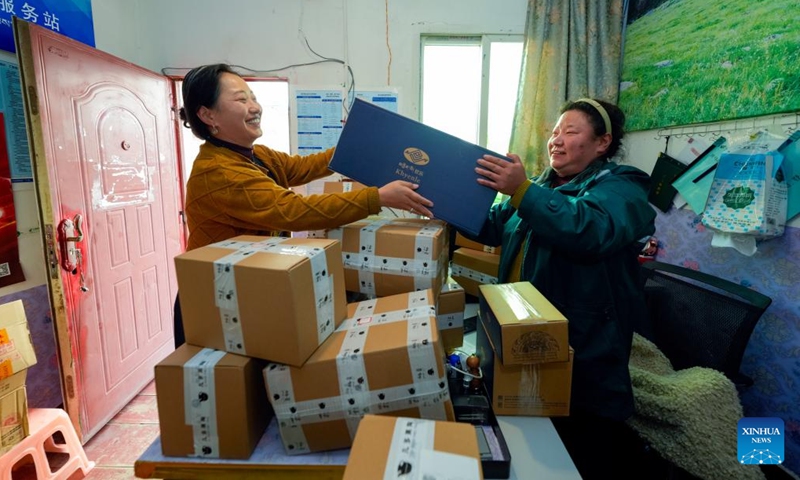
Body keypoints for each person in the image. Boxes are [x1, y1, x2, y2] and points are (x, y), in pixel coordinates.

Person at [173, 63, 433, 347]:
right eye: (240, 99)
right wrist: (377, 198)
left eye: (253, 96)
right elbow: (292, 211)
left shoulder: (255, 155)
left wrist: (359, 144)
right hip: (212, 301)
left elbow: (303, 167)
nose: (254, 106)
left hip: (241, 289)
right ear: (207, 114)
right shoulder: (218, 172)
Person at [466, 98, 656, 478]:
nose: (556, 140)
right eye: (555, 132)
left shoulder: (623, 186)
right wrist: (445, 203)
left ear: (602, 143)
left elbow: (589, 229)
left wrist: (521, 190)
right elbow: (492, 226)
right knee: (528, 450)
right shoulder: (541, 185)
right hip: (525, 335)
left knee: (576, 455)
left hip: (585, 349)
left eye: (570, 131)